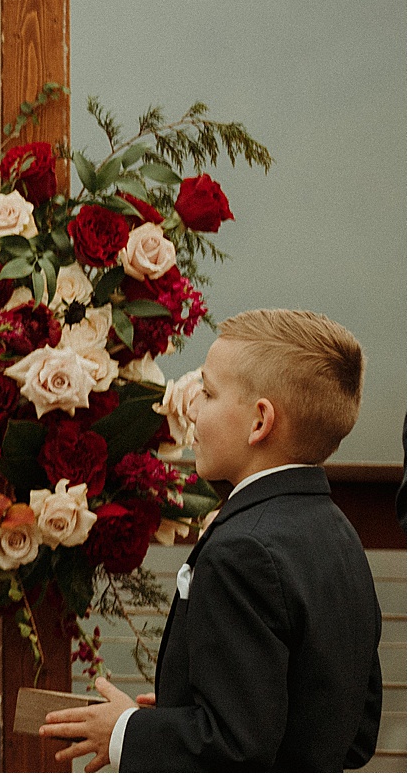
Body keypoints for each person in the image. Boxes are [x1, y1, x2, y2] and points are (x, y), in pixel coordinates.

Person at [41, 309, 384, 772]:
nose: (193, 407)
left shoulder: (242, 552)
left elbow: (234, 747)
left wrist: (124, 730)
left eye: (208, 391)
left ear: (260, 422)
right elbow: (355, 732)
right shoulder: (339, 533)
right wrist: (183, 710)